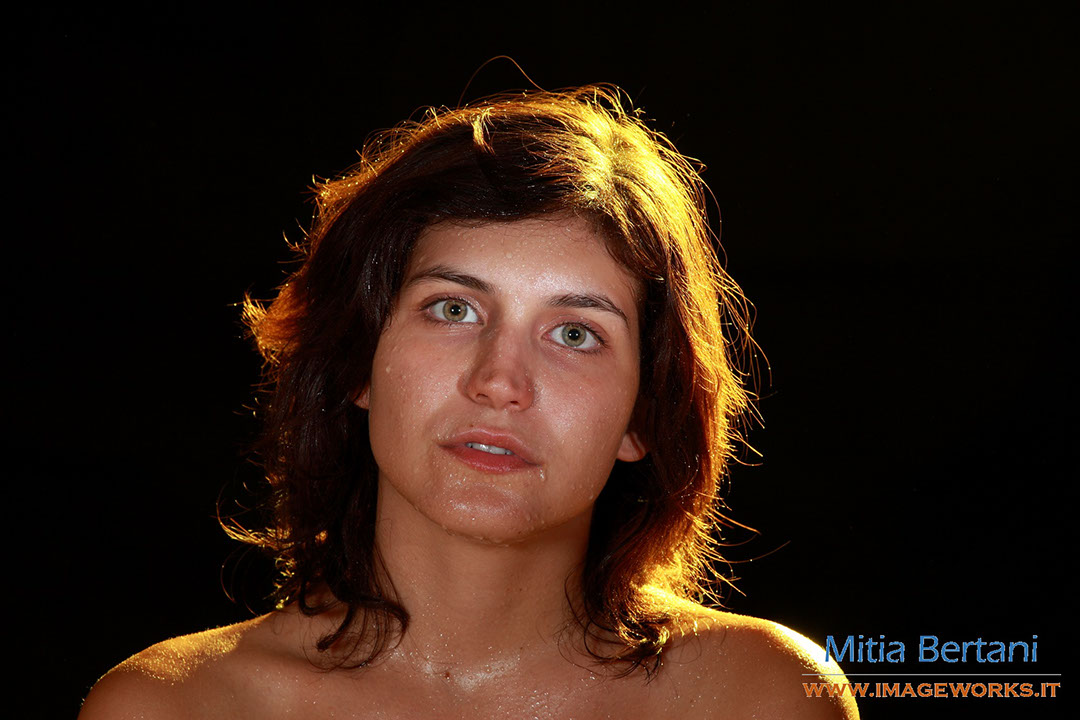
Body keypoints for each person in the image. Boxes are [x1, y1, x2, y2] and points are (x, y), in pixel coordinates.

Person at [80, 86, 858, 719]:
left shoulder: (760, 697)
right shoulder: (169, 708)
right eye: (453, 309)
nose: (499, 381)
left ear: (643, 415)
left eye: (576, 333)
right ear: (358, 361)